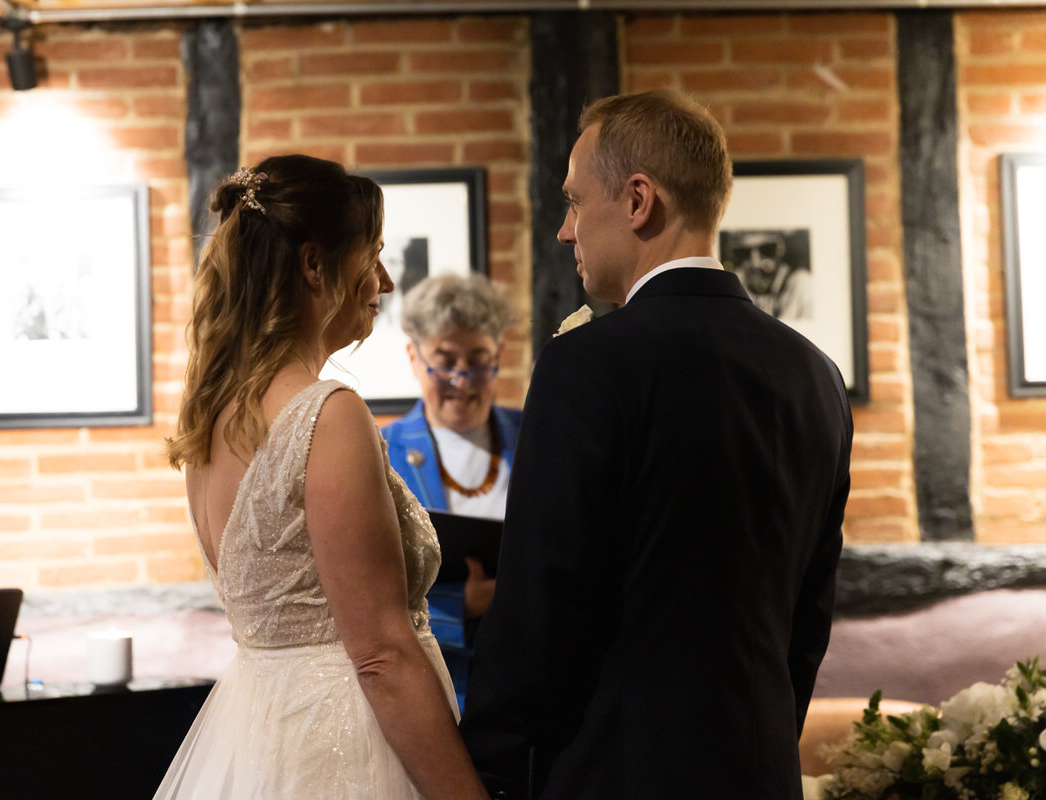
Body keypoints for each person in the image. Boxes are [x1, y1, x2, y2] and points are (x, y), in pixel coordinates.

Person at [459, 90, 853, 800]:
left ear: (638, 200)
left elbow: (540, 606)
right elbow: (806, 620)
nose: (564, 230)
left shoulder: (587, 364)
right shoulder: (815, 375)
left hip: (611, 771)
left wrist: (484, 770)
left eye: (576, 202)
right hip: (758, 773)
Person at [157, 155, 488, 800]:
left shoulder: (213, 416)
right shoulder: (325, 414)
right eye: (372, 256)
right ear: (315, 265)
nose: (386, 283)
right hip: (348, 754)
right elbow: (382, 656)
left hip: (257, 744)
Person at [381, 273, 521, 707]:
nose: (462, 379)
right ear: (413, 357)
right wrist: (461, 605)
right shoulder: (385, 453)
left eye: (478, 359)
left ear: (498, 355)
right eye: (444, 360)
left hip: (532, 685)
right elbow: (366, 606)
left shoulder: (534, 435)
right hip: (435, 695)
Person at [721, 229, 813, 320]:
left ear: (782, 250)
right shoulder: (734, 285)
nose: (755, 264)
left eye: (767, 250)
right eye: (744, 252)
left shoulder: (802, 284)